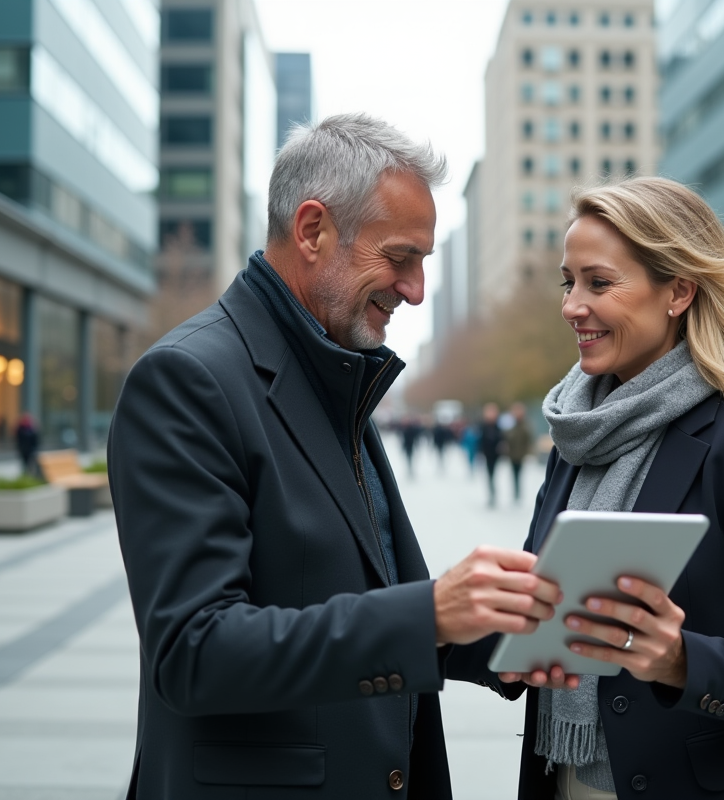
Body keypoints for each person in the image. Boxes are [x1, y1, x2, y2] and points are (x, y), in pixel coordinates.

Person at [108, 114, 563, 800]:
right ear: (313, 230)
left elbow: (347, 602)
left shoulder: (334, 374)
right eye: (401, 256)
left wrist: (504, 635)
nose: (413, 289)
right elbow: (194, 652)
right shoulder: (188, 380)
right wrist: (431, 612)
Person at [446, 177, 724, 799]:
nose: (573, 304)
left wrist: (680, 661)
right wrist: (440, 622)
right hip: (564, 780)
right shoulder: (576, 437)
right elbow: (544, 624)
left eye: (599, 283)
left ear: (679, 291)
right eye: (568, 282)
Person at [505, 402, 535, 502]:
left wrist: (528, 453)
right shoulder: (511, 424)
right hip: (512, 454)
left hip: (521, 455)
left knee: (519, 474)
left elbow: (529, 440)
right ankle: (515, 493)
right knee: (513, 474)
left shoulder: (525, 425)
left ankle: (518, 493)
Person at [479, 402, 504, 507]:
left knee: (493, 474)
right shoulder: (483, 425)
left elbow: (502, 438)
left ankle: (493, 493)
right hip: (487, 453)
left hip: (496, 453)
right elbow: (481, 439)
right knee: (490, 474)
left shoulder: (498, 425)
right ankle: (491, 494)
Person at [14, 412, 39, 477]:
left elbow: (36, 440)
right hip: (23, 449)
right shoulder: (20, 429)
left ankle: (29, 475)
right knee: (24, 464)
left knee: (30, 464)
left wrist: (35, 448)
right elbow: (18, 440)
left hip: (31, 449)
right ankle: (25, 475)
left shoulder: (32, 429)